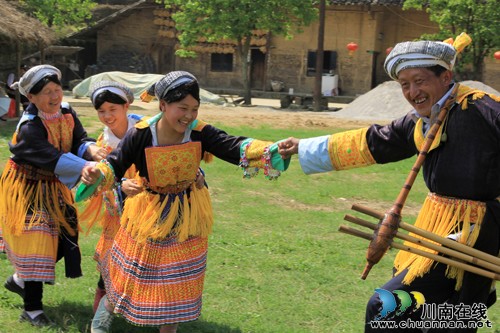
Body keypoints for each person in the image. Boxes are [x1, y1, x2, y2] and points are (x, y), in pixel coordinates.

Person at [278, 33, 500, 332]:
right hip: (439, 227)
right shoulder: (423, 119)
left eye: (419, 81)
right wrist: (303, 148)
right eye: (404, 84)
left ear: (446, 76)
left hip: (475, 233)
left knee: (386, 307)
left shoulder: (484, 109)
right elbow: (374, 142)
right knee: (450, 318)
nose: (412, 91)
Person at [78, 70, 289, 333]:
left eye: (195, 108)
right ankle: (101, 322)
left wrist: (272, 149)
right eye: (182, 108)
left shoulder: (199, 132)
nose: (189, 115)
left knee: (176, 282)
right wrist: (96, 172)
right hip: (149, 214)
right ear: (163, 105)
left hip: (187, 214)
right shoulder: (141, 134)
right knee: (133, 275)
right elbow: (115, 164)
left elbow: (232, 146)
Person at [0, 64, 107, 327]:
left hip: (54, 184)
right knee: (36, 242)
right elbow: (50, 156)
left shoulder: (67, 111)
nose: (54, 96)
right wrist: (86, 166)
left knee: (64, 237)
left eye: (57, 89)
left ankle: (21, 280)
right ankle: (32, 308)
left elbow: (79, 139)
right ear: (31, 98)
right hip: (27, 187)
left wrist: (91, 150)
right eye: (46, 92)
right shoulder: (29, 126)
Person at [81, 80, 145, 313]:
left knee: (143, 261)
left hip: (149, 210)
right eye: (101, 111)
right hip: (117, 213)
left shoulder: (145, 131)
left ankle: (145, 312)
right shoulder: (102, 144)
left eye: (113, 110)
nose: (107, 116)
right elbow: (103, 181)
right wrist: (120, 185)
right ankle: (100, 318)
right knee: (110, 260)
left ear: (127, 106)